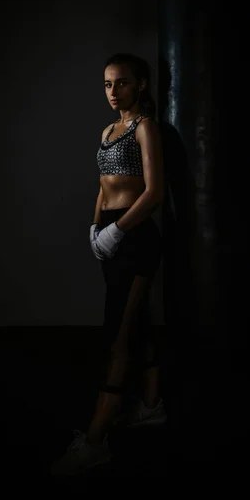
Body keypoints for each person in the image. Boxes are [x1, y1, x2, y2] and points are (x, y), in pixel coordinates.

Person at [51, 53, 166, 477]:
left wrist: (118, 231)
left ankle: (96, 440)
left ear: (141, 86)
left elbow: (153, 192)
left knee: (119, 336)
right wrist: (96, 227)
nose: (113, 92)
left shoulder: (145, 128)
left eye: (121, 83)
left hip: (135, 237)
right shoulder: (107, 130)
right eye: (106, 84)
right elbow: (103, 188)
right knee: (136, 321)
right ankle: (152, 405)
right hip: (110, 235)